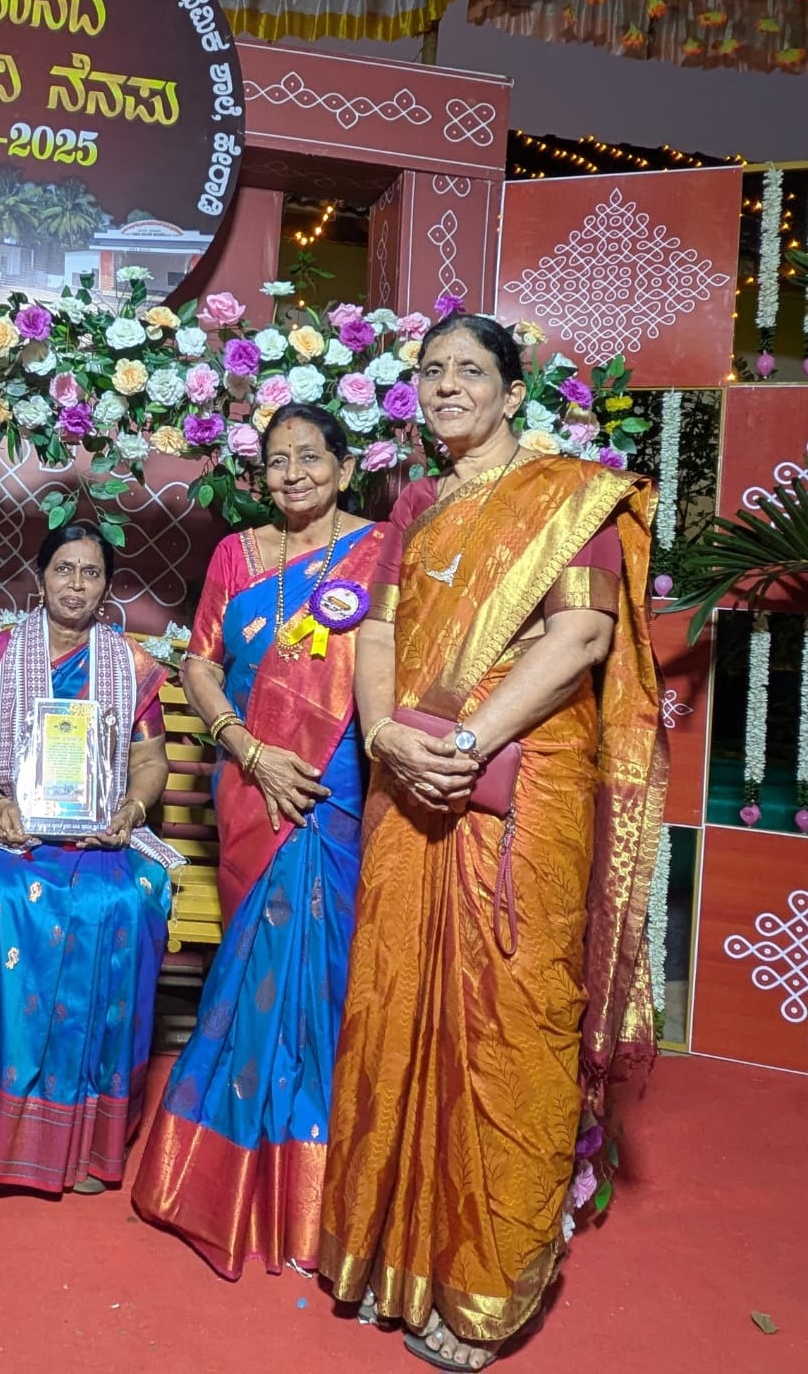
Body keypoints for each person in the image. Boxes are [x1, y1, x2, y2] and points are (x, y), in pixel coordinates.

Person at [318, 314, 665, 1370]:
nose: (446, 386)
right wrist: (385, 737)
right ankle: (397, 1254)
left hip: (521, 789)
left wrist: (465, 742)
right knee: (397, 999)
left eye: (470, 371)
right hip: (411, 779)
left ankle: (487, 1287)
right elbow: (377, 628)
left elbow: (583, 634)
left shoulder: (569, 498)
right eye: (430, 371)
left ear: (513, 393)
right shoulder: (415, 505)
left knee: (508, 1018)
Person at [133, 403, 387, 1277]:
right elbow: (199, 662)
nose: (292, 474)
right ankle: (221, 1181)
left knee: (324, 977)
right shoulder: (235, 556)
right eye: (277, 461)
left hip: (335, 788)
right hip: (250, 782)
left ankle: (317, 1193)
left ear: (344, 468)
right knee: (256, 972)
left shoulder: (381, 551)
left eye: (310, 457)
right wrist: (244, 747)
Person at [0, 523, 181, 1194]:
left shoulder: (129, 663)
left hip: (101, 838)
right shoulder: (2, 654)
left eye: (91, 573)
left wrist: (132, 810)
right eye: (64, 568)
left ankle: (87, 1139)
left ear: (106, 587)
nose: (76, 584)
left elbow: (151, 760)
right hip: (14, 834)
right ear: (40, 578)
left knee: (119, 907)